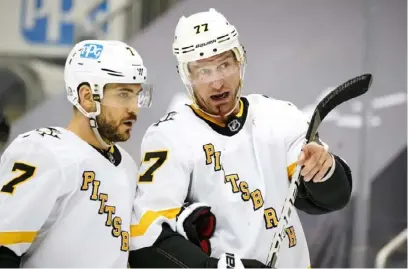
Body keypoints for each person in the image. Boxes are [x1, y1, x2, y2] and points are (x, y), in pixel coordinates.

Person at [128, 8, 352, 268]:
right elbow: (145, 237)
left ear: (240, 62)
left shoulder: (277, 115)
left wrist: (324, 171)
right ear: (186, 75)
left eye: (224, 65)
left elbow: (331, 198)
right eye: (203, 71)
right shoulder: (169, 137)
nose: (217, 83)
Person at [0, 40, 152, 267]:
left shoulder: (128, 165)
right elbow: (4, 248)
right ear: (87, 97)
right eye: (123, 94)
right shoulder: (43, 151)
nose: (134, 108)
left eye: (137, 94)